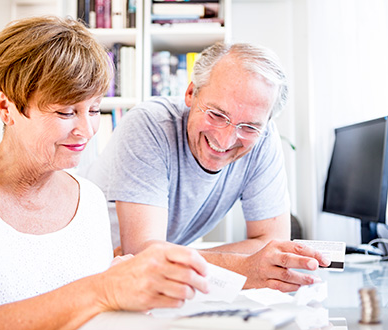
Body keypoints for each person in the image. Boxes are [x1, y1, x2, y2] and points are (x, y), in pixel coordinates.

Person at [0, 16, 210, 330]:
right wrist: (104, 289)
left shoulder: (88, 198)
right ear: (6, 107)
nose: (86, 130)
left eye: (94, 109)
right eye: (66, 112)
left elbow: (91, 313)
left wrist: (125, 302)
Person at [82, 42, 330, 293]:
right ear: (191, 93)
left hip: (159, 281)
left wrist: (166, 255)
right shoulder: (149, 124)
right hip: (92, 275)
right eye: (216, 114)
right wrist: (243, 267)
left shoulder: (263, 140)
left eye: (249, 127)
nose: (225, 140)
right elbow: (142, 254)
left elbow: (272, 243)